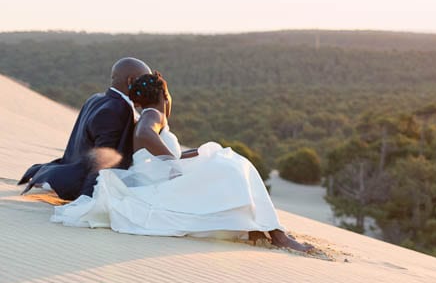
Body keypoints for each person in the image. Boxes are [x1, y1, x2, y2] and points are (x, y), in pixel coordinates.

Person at [52, 72, 313, 252]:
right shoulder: (153, 114)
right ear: (165, 95)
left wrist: (189, 155)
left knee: (225, 160)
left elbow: (150, 150)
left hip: (154, 178)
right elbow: (146, 135)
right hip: (156, 183)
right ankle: (276, 233)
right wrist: (173, 163)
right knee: (234, 165)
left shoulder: (148, 114)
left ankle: (258, 228)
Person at [20, 57, 151, 200]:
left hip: (70, 168)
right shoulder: (116, 110)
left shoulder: (96, 98)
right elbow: (103, 159)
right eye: (144, 82)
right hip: (80, 182)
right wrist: (87, 199)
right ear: (131, 81)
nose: (147, 88)